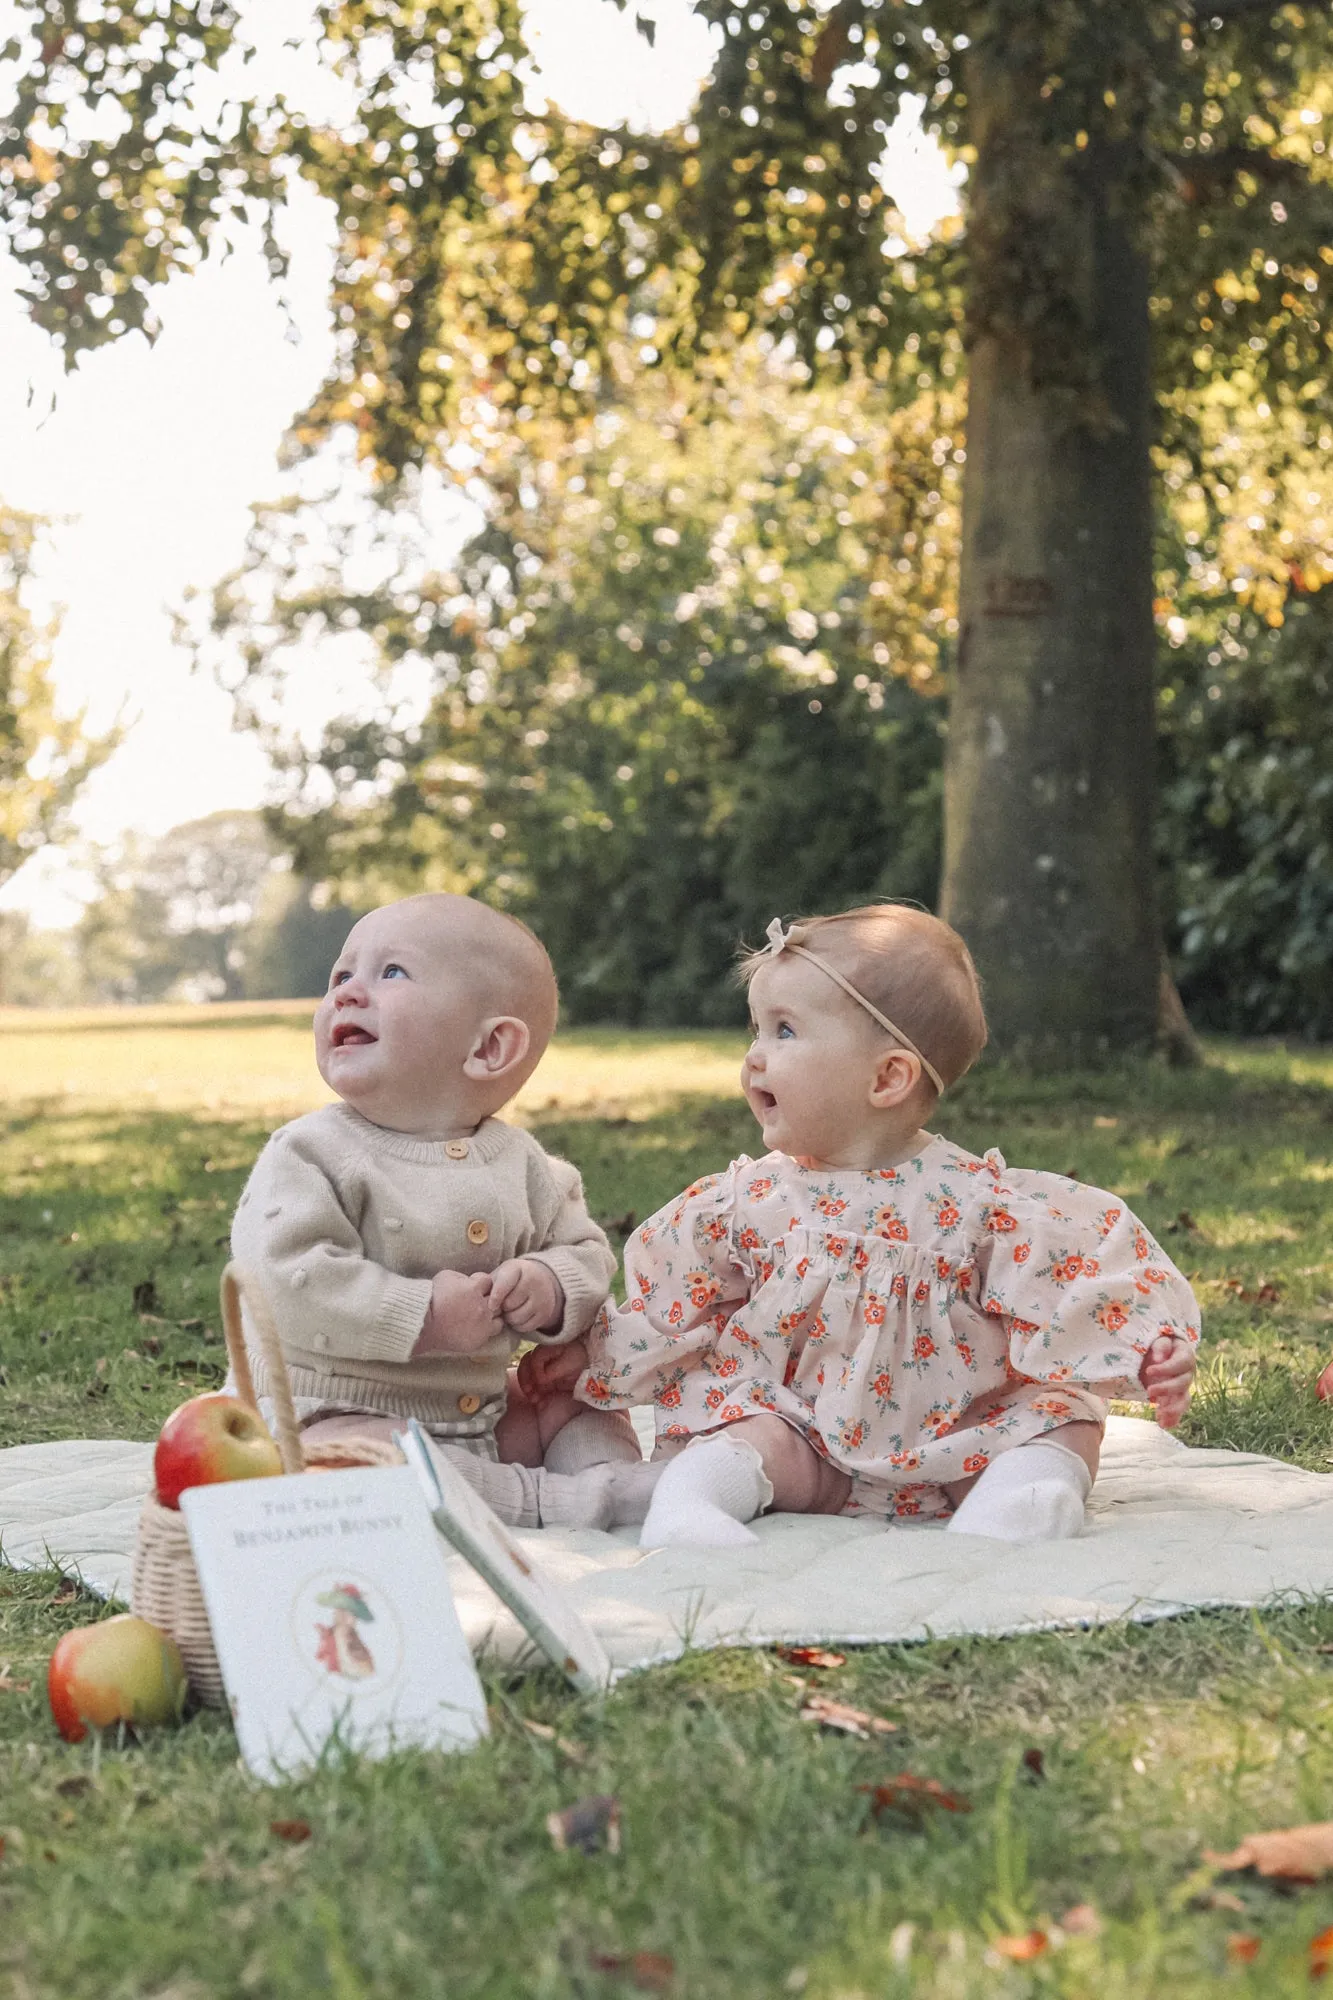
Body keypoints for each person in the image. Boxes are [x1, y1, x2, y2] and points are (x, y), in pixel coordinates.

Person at [520, 903, 1199, 1548]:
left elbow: (1066, 1287)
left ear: (888, 1078)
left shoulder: (977, 1205)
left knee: (1059, 1419)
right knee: (742, 1428)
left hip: (959, 1434)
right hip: (804, 1430)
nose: (754, 1055)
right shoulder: (749, 1199)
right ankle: (691, 1504)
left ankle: (1021, 1497)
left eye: (783, 1031)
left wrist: (1142, 1345)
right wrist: (600, 1354)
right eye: (755, 1030)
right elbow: (677, 1302)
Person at [230, 892, 657, 1531]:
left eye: (390, 972)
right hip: (330, 1415)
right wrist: (423, 1316)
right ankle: (570, 1505)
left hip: (479, 1414)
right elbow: (285, 1280)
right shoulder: (310, 1153)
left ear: (489, 1049)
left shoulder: (522, 1163)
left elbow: (587, 1253)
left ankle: (614, 1478)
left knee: (573, 1399)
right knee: (364, 1469)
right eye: (340, 975)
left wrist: (549, 1287)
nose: (347, 992)